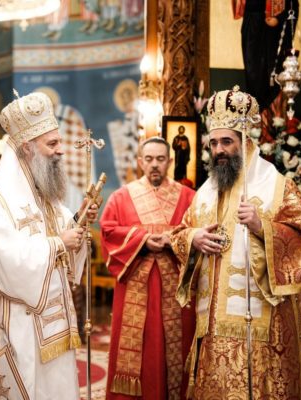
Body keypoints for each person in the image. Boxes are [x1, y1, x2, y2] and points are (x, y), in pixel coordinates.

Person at [170, 86, 301, 399]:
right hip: (212, 325)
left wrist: (263, 227)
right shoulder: (205, 193)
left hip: (262, 325)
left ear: (246, 142)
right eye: (214, 143)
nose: (219, 150)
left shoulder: (277, 186)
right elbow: (180, 234)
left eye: (227, 141)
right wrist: (193, 238)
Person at [0, 91, 98, 399]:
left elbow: (63, 232)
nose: (61, 151)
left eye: (59, 142)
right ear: (27, 147)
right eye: (52, 144)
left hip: (54, 319)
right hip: (20, 322)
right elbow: (8, 262)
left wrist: (79, 221)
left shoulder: (43, 194)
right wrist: (58, 244)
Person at [100, 136, 196, 399]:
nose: (155, 165)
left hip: (175, 287)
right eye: (149, 159)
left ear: (170, 161)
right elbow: (108, 232)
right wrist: (142, 240)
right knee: (141, 345)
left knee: (175, 346)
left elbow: (196, 233)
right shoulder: (121, 197)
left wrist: (172, 241)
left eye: (160, 159)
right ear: (140, 162)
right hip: (136, 285)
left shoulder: (189, 197)